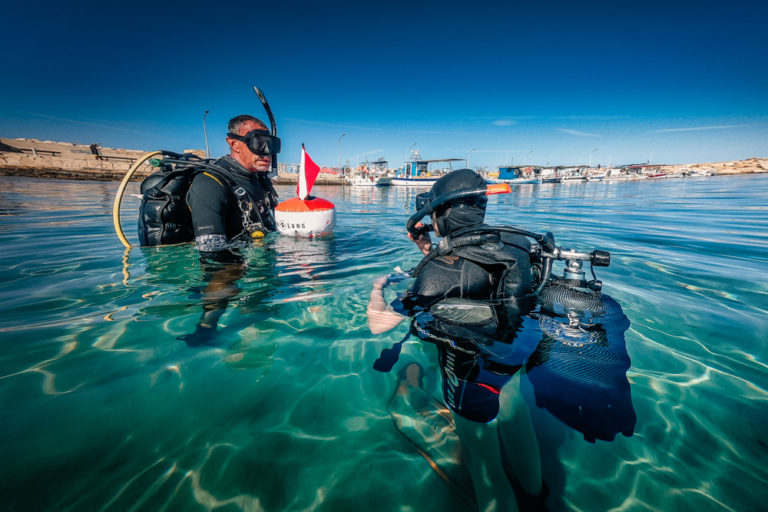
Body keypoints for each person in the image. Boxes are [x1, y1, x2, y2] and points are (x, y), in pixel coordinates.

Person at [367, 169, 548, 511]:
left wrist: (377, 288)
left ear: (444, 212)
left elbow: (379, 324)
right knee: (515, 420)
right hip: (509, 360)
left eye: (434, 215)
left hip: (470, 377)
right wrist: (427, 250)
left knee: (486, 470)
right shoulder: (514, 244)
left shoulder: (435, 274)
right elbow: (468, 270)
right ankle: (537, 498)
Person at [180, 115, 280, 346]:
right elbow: (211, 252)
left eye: (272, 145)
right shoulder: (210, 182)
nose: (267, 152)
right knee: (227, 269)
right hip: (231, 264)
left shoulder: (261, 181)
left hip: (259, 261)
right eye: (258, 143)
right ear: (234, 143)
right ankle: (206, 327)